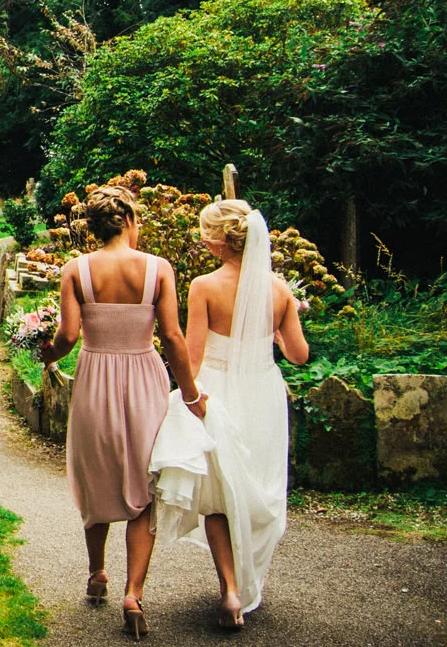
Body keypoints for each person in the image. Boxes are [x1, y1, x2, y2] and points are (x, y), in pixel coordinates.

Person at [41, 185, 205, 640]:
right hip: (145, 382)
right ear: (130, 221)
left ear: (92, 227)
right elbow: (172, 338)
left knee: (96, 478)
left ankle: (97, 574)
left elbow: (68, 336)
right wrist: (191, 397)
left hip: (96, 381)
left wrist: (46, 354)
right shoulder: (159, 269)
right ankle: (134, 592)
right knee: (144, 484)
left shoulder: (77, 269)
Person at [149, 200, 309, 629]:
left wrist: (186, 399)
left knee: (220, 495)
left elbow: (194, 356)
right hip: (263, 393)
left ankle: (231, 591)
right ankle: (248, 578)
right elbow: (299, 355)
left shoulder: (203, 285)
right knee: (260, 485)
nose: (202, 240)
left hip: (218, 393)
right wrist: (275, 329)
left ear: (221, 242)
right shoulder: (278, 291)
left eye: (206, 233)